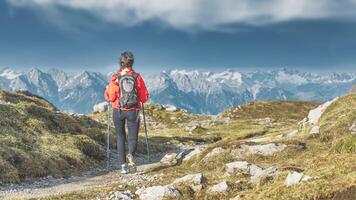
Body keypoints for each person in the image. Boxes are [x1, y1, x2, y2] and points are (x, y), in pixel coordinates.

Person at [104, 51, 149, 174]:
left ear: (121, 62)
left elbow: (110, 97)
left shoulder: (115, 78)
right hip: (133, 111)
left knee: (120, 136)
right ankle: (131, 158)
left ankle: (123, 166)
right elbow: (144, 97)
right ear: (132, 63)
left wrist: (109, 90)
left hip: (118, 111)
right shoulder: (137, 77)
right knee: (132, 137)